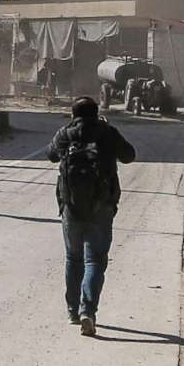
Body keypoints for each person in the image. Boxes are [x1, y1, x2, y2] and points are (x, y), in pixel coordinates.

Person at [48, 96, 136, 335]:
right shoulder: (107, 132)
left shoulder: (65, 133)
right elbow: (129, 155)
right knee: (95, 260)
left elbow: (51, 155)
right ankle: (89, 311)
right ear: (96, 113)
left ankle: (72, 310)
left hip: (70, 206)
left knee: (73, 258)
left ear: (73, 113)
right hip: (102, 206)